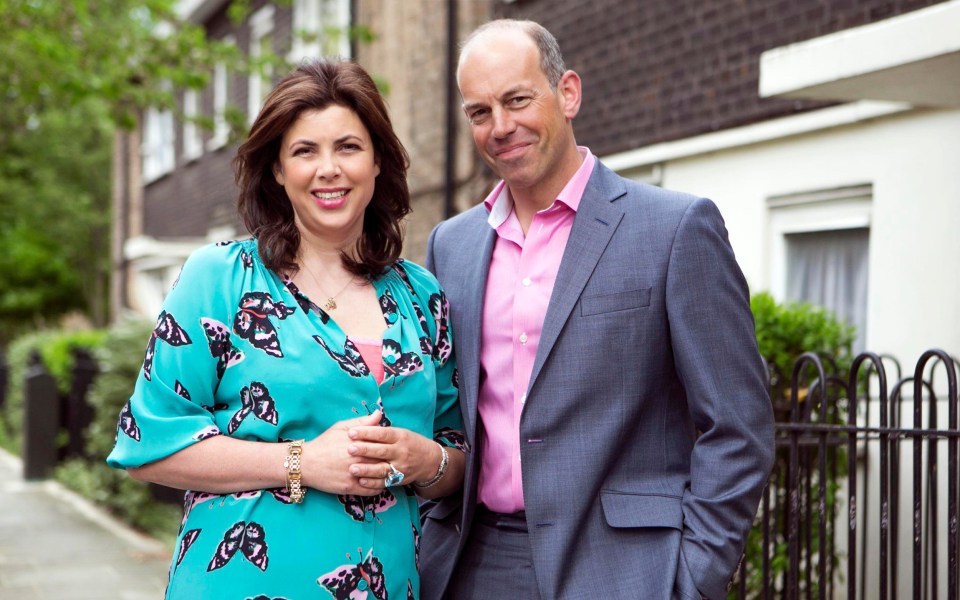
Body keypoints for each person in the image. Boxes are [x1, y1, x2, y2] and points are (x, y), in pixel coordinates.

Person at [421, 19, 774, 600]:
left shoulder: (674, 228)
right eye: (480, 112)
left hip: (624, 570)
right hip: (472, 562)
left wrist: (693, 578)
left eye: (517, 99)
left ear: (568, 93)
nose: (501, 126)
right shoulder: (451, 245)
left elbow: (738, 426)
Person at [107, 60, 465, 600]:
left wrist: (425, 461)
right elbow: (147, 447)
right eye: (305, 151)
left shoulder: (422, 297)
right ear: (277, 169)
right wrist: (301, 462)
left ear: (377, 163)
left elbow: (457, 457)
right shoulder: (219, 280)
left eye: (348, 147)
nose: (329, 169)